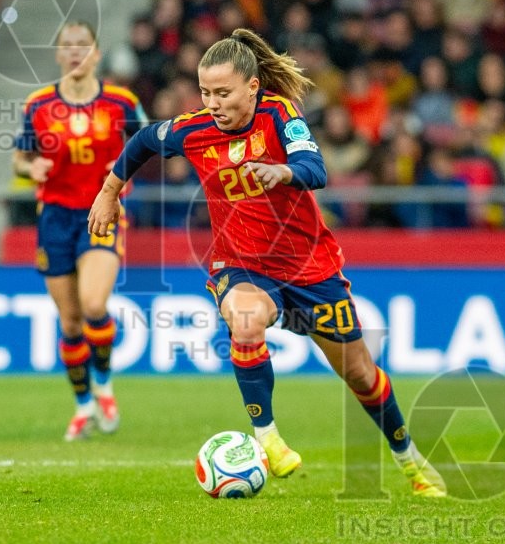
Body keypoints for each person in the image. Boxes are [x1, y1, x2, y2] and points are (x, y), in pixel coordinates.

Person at [88, 28, 446, 496]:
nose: (212, 103)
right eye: (205, 92)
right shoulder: (192, 130)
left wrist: (282, 171)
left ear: (252, 87)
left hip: (309, 267)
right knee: (246, 319)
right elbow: (141, 143)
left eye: (222, 92)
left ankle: (410, 461)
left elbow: (315, 169)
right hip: (241, 264)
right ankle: (269, 440)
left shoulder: (280, 116)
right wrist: (109, 192)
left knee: (360, 373)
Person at [13, 21, 148, 442]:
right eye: (66, 46)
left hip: (101, 212)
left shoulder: (121, 102)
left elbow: (143, 146)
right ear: (57, 54)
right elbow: (19, 158)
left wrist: (124, 172)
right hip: (54, 216)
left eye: (82, 45)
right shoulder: (38, 105)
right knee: (70, 323)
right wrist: (30, 167)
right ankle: (83, 405)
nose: (74, 52)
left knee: (93, 304)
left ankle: (104, 383)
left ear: (96, 54)